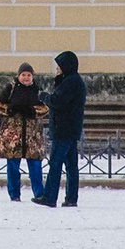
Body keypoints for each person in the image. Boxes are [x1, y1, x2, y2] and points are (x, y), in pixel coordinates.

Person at [0, 62, 47, 201]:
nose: (26, 78)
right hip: (13, 135)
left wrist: (33, 111)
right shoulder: (11, 88)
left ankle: (39, 194)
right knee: (13, 166)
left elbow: (46, 108)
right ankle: (14, 194)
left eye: (28, 75)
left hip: (32, 136)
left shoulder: (37, 89)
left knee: (35, 165)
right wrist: (10, 109)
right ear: (18, 76)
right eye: (23, 75)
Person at [42, 50, 86, 208]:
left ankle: (49, 196)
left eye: (59, 66)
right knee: (71, 166)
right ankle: (71, 197)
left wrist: (45, 97)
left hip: (63, 129)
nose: (57, 69)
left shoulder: (70, 82)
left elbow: (58, 101)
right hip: (70, 129)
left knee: (55, 163)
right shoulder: (72, 80)